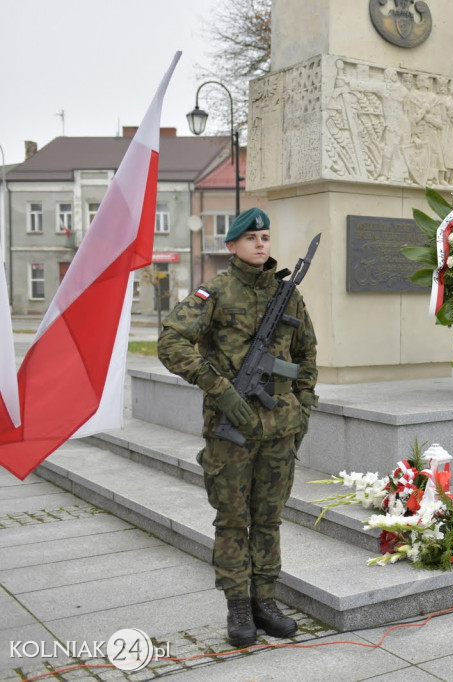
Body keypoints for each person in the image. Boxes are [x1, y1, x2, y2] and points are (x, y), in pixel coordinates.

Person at [158, 208, 319, 648]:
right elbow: (170, 342)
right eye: (252, 238)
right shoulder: (216, 293)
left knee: (268, 520)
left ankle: (266, 600)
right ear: (232, 246)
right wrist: (220, 389)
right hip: (231, 431)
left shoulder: (287, 297)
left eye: (266, 237)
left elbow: (307, 355)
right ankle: (238, 606)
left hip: (279, 430)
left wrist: (302, 408)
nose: (261, 244)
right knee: (232, 522)